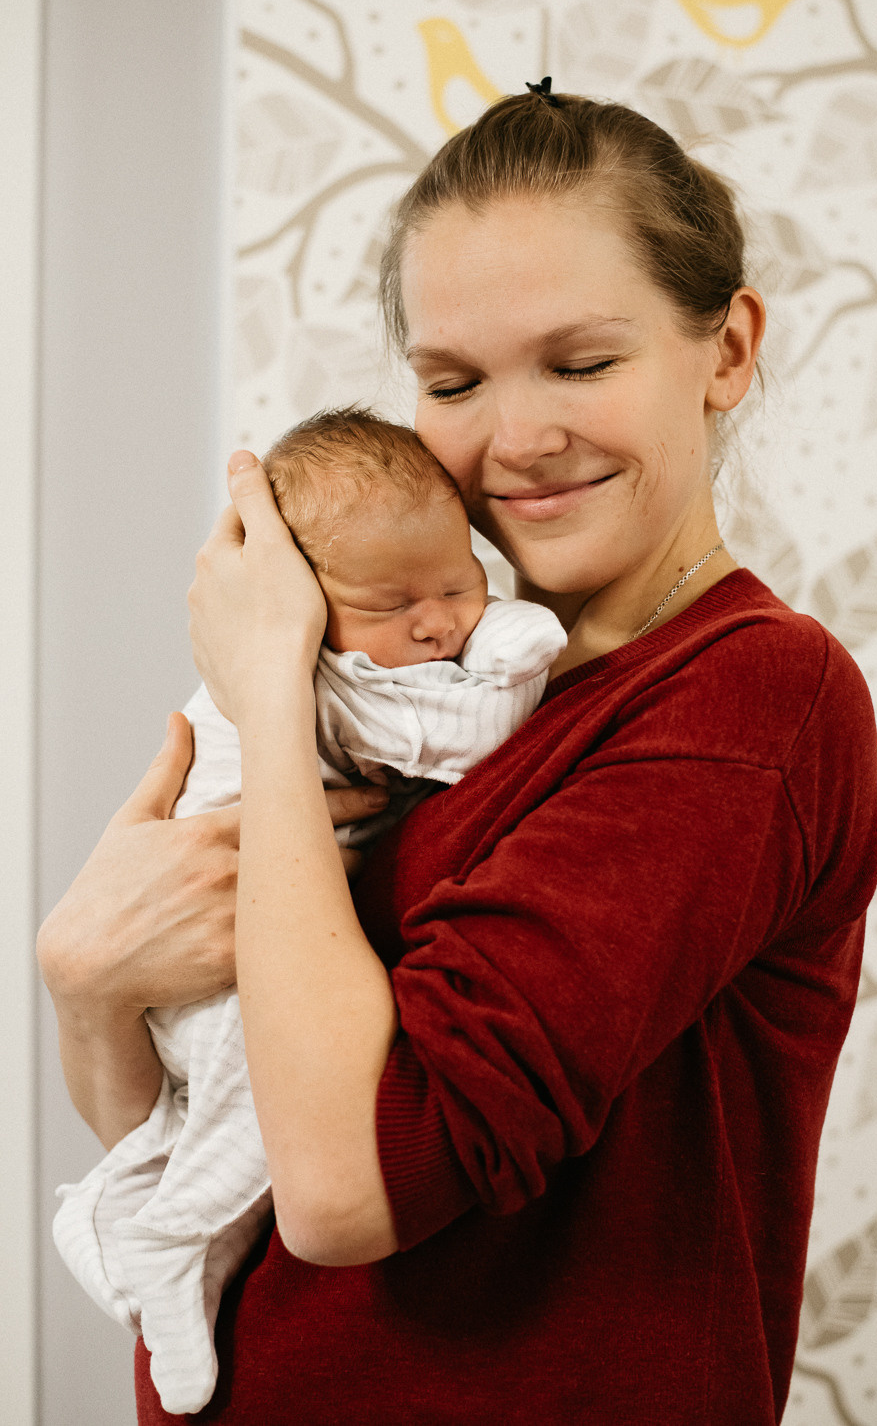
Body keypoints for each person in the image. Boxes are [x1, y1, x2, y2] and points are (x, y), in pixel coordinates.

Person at [37, 88, 877, 1425]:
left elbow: (341, 1190)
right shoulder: (427, 687)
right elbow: (210, 1131)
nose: (517, 438)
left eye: (582, 363)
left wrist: (263, 674)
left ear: (724, 351)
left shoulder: (747, 697)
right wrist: (86, 987)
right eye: (453, 382)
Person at [50, 406, 566, 1416]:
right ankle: (159, 1229)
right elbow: (467, 729)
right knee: (226, 1117)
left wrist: (87, 973)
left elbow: (328, 1189)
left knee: (226, 1125)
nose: (437, 624)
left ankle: (155, 1228)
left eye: (461, 585)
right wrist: (513, 631)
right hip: (207, 968)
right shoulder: (329, 685)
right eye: (391, 604)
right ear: (298, 609)